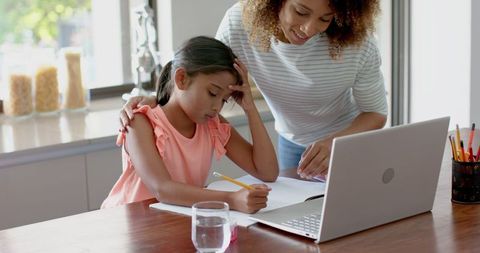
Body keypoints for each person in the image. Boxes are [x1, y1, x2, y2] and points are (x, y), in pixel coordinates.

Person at [119, 0, 387, 181]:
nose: (309, 29)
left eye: (325, 19)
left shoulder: (357, 44)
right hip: (292, 144)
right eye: (301, 12)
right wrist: (158, 100)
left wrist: (333, 142)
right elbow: (205, 72)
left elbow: (375, 113)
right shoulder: (241, 22)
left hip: (349, 142)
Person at [102, 36, 279, 214]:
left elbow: (267, 172)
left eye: (224, 100)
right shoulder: (140, 122)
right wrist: (231, 199)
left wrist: (249, 107)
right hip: (127, 224)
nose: (217, 107)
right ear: (181, 79)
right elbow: (162, 189)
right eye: (212, 93)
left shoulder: (212, 124)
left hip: (173, 222)